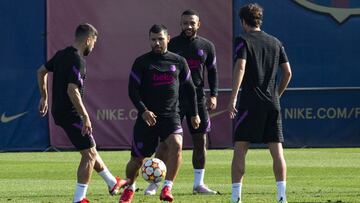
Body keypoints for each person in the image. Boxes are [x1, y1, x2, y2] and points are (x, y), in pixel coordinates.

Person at [37, 23, 127, 203]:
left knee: (90, 149)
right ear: (88, 40)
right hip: (71, 114)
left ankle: (112, 182)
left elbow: (41, 71)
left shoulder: (61, 54)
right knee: (90, 155)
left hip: (59, 111)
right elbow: (72, 90)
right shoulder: (78, 60)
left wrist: (44, 97)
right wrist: (85, 116)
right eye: (94, 42)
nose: (93, 46)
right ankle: (79, 199)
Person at [120, 24, 200, 203]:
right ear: (149, 40)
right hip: (147, 118)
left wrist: (194, 113)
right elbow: (132, 91)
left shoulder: (179, 61)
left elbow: (190, 89)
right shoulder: (141, 62)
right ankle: (130, 187)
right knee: (137, 161)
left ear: (168, 38)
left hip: (171, 116)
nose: (157, 43)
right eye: (153, 40)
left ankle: (167, 188)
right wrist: (144, 111)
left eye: (160, 39)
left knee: (177, 145)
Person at [145, 9, 219, 196]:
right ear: (180, 24)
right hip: (174, 101)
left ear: (198, 24)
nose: (188, 26)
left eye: (192, 23)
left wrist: (214, 95)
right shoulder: (173, 44)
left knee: (200, 141)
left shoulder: (207, 46)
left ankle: (198, 184)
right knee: (165, 143)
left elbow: (212, 72)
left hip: (198, 99)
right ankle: (154, 182)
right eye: (185, 23)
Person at [227, 3, 292, 203]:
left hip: (250, 104)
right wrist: (276, 95)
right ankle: (282, 197)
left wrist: (233, 98)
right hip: (272, 104)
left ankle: (236, 198)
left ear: (243, 22)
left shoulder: (242, 40)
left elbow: (241, 67)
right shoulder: (275, 42)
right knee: (277, 152)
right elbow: (288, 73)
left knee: (240, 150)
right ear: (259, 20)